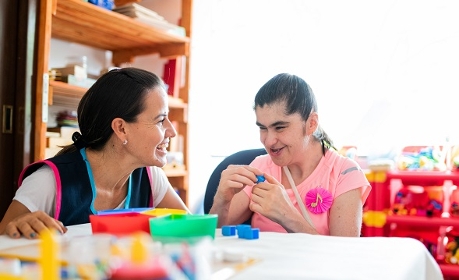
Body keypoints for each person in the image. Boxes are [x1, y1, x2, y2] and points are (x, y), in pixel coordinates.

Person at [0, 67, 190, 239]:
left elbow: (191, 233)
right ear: (121, 128)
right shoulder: (47, 181)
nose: (171, 131)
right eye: (160, 120)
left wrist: (220, 202)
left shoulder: (151, 177)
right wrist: (16, 230)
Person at [209, 73, 371, 237]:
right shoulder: (260, 167)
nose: (269, 141)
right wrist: (222, 200)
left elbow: (343, 256)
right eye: (263, 128)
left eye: (280, 127)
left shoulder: (345, 174)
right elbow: (214, 234)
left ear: (311, 123)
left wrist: (287, 216)